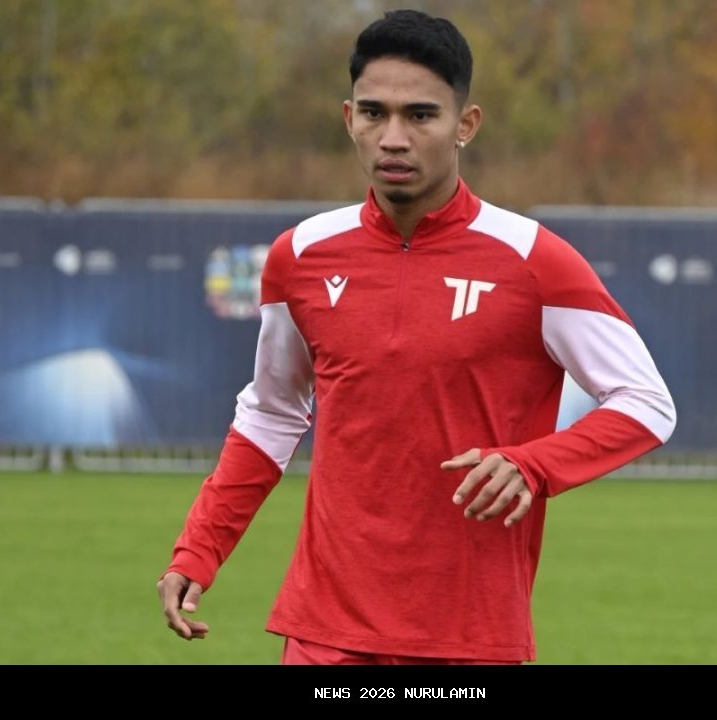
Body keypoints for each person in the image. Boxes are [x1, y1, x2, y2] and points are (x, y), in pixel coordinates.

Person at [157, 9, 675, 665]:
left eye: (420, 116)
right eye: (374, 114)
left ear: (466, 125)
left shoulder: (534, 260)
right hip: (326, 631)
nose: (393, 138)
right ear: (349, 119)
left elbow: (646, 403)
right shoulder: (300, 257)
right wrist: (199, 548)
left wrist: (534, 464)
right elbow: (272, 412)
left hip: (468, 637)